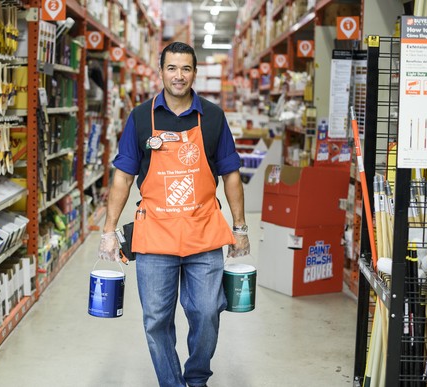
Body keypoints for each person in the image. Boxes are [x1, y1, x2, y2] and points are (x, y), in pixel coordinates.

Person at [98, 41, 250, 387]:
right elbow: (122, 176)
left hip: (203, 232)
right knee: (156, 320)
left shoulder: (212, 116)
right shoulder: (140, 117)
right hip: (155, 236)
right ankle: (172, 383)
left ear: (194, 72)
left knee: (207, 313)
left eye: (185, 68)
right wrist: (109, 231)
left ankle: (196, 378)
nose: (178, 76)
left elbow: (231, 173)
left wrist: (239, 227)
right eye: (171, 68)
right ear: (161, 71)